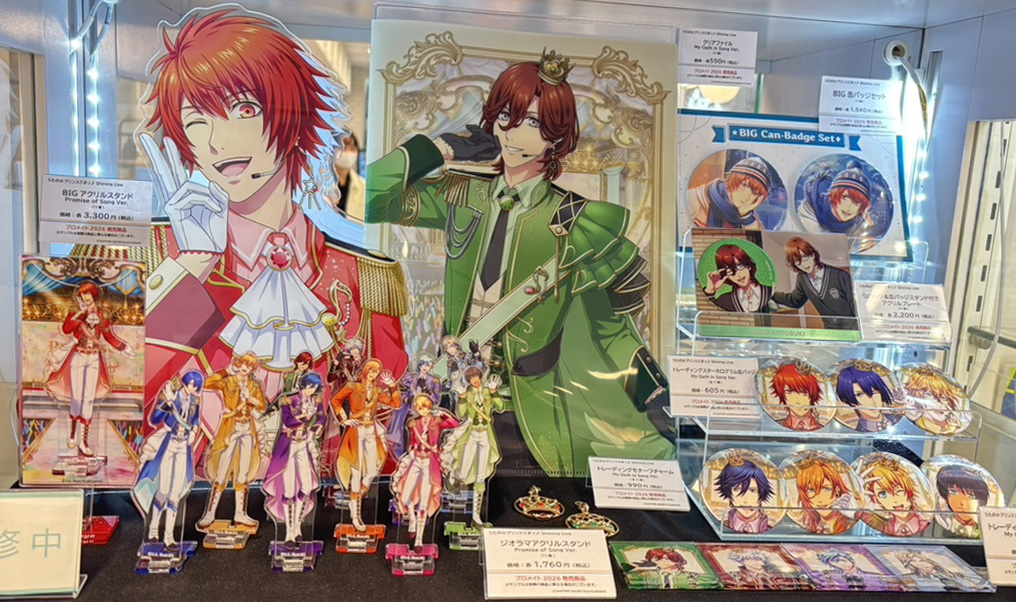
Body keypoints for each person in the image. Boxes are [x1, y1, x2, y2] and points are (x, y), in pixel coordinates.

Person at [367, 49, 671, 476]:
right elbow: (374, 199)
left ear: (555, 137)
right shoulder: (461, 193)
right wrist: (438, 148)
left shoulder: (578, 221)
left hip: (531, 415)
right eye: (506, 116)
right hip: (451, 402)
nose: (512, 132)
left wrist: (656, 397)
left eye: (532, 122)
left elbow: (611, 330)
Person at [131, 7, 407, 425]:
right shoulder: (149, 257)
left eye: (244, 110)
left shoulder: (362, 276)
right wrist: (192, 267)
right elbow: (111, 405)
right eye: (196, 121)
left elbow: (386, 421)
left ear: (294, 117)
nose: (218, 140)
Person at [45, 281, 135, 457]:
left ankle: (83, 441)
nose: (85, 298)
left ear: (94, 295)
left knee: (88, 400)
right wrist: (80, 313)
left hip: (93, 358)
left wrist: (123, 347)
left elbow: (108, 336)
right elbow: (66, 329)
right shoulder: (76, 312)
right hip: (78, 355)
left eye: (88, 295)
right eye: (82, 295)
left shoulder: (102, 315)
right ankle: (73, 433)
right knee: (76, 397)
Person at [132, 371, 204, 548]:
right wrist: (167, 403)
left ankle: (169, 536)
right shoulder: (171, 395)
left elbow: (195, 419)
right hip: (168, 443)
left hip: (183, 446)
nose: (194, 388)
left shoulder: (195, 400)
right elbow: (155, 418)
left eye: (196, 386)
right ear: (186, 382)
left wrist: (194, 432)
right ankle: (153, 530)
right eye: (192, 384)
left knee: (176, 492)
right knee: (163, 489)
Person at [197, 352, 268, 530]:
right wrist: (225, 371)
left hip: (248, 429)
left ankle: (240, 514)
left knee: (243, 471)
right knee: (222, 470)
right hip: (231, 428)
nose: (246, 368)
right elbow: (206, 383)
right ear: (238, 364)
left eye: (250, 366)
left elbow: (262, 406)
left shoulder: (254, 384)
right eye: (244, 364)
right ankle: (210, 514)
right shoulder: (228, 381)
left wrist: (251, 399)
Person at [330, 358, 402, 531]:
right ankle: (356, 515)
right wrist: (344, 419)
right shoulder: (353, 386)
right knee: (356, 473)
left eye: (376, 372)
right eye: (371, 370)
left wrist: (393, 386)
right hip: (356, 431)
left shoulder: (377, 390)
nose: (373, 374)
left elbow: (396, 404)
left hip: (371, 431)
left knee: (372, 471)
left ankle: (355, 498)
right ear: (365, 371)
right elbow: (335, 401)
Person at [262, 372, 326, 546]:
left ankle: (298, 526)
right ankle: (289, 533)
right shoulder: (288, 400)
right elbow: (288, 421)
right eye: (309, 386)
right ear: (303, 384)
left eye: (315, 387)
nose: (311, 389)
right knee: (289, 490)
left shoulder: (316, 400)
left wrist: (314, 430)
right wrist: (306, 417)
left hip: (304, 444)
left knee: (307, 486)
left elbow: (322, 417)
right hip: (288, 445)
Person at [390, 394, 460, 549]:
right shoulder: (414, 423)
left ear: (429, 406)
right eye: (418, 407)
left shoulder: (437, 421)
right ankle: (412, 520)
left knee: (423, 503)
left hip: (429, 463)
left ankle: (419, 540)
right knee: (405, 497)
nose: (421, 410)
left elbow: (455, 424)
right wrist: (412, 450)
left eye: (424, 406)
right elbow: (412, 442)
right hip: (416, 461)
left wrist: (443, 413)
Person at [441, 366, 505, 527]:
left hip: (485, 435)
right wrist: (462, 397)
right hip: (471, 434)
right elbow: (461, 413)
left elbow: (500, 407)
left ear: (481, 376)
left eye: (476, 376)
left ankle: (476, 517)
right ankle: (453, 475)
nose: (475, 380)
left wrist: (494, 392)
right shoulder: (468, 393)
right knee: (463, 473)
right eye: (471, 378)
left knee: (480, 477)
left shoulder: (487, 391)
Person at [772, 237, 856, 329]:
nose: (803, 264)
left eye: (804, 257)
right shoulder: (802, 279)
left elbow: (855, 305)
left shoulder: (840, 275)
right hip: (831, 331)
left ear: (812, 255)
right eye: (797, 261)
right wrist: (771, 294)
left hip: (853, 329)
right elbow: (795, 301)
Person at [689, 156, 772, 230]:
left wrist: (745, 216)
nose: (748, 196)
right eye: (745, 185)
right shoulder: (695, 200)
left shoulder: (748, 213)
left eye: (755, 193)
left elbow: (757, 239)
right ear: (733, 179)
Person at [387, 353, 443, 457]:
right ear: (419, 365)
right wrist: (408, 399)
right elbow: (403, 394)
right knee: (406, 429)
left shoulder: (434, 380)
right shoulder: (410, 378)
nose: (425, 367)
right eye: (423, 364)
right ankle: (406, 452)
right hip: (410, 410)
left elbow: (436, 399)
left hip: (425, 411)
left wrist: (426, 399)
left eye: (428, 365)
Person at [800, 162, 875, 236]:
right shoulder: (811, 209)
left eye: (857, 202)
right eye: (844, 197)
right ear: (834, 195)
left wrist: (871, 227)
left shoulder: (859, 223)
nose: (849, 207)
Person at [859, 459, 930, 536]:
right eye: (883, 494)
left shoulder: (926, 515)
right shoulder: (884, 525)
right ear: (877, 500)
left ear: (909, 490)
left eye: (898, 491)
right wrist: (855, 490)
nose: (894, 500)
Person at [703, 244, 773, 313]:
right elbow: (709, 313)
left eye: (740, 265)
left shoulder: (770, 291)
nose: (738, 275)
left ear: (749, 266)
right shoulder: (726, 300)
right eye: (731, 270)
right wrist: (710, 290)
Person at [714, 457, 775, 534]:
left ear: (762, 492)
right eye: (736, 490)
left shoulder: (772, 530)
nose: (746, 500)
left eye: (753, 490)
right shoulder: (720, 526)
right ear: (728, 491)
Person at [796, 458, 854, 535]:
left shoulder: (850, 520)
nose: (820, 500)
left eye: (826, 489)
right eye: (811, 490)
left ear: (837, 490)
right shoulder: (811, 523)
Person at [836, 363, 899, 432]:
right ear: (849, 400)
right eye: (859, 395)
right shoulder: (854, 431)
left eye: (875, 392)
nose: (872, 402)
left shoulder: (896, 419)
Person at [935, 465, 991, 538]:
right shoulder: (944, 520)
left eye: (970, 494)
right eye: (954, 492)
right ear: (946, 497)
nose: (962, 502)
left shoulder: (986, 526)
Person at [769, 362, 825, 431]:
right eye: (789, 392)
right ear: (782, 394)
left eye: (804, 393)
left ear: (813, 394)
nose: (798, 401)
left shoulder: (823, 429)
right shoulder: (775, 428)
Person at [324, 132, 365, 221]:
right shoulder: (319, 182)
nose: (348, 153)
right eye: (343, 148)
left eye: (352, 149)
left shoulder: (363, 186)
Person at [816, 550, 889, 590]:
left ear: (850, 559)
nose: (842, 564)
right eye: (836, 563)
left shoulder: (873, 578)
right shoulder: (829, 578)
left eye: (843, 560)